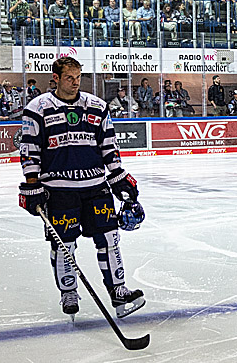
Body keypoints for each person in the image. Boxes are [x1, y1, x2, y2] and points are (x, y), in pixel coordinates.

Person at [17, 57, 146, 319]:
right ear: (55, 78)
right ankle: (69, 291)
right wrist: (33, 186)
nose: (75, 83)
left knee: (110, 238)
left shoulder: (97, 106)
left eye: (78, 77)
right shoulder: (38, 108)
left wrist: (119, 175)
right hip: (59, 190)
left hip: (96, 186)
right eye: (69, 78)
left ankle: (118, 289)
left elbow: (109, 146)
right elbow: (30, 151)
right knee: (64, 244)